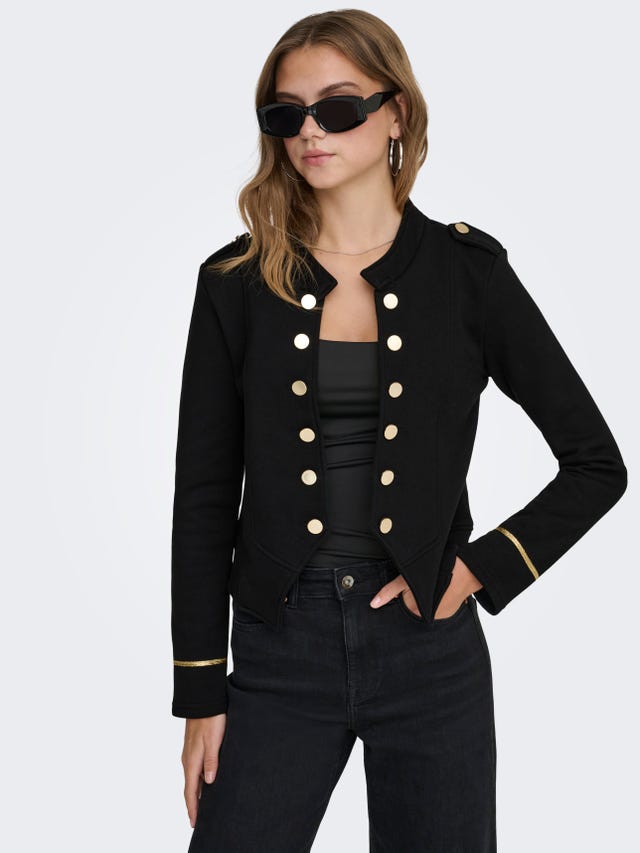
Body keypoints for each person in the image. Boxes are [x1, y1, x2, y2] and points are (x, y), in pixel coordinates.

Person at [170, 9, 627, 852]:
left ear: (396, 114)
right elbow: (202, 499)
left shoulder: (468, 273)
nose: (311, 131)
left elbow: (596, 464)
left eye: (339, 106)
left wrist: (480, 569)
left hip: (431, 653)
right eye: (287, 113)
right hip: (277, 649)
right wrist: (200, 691)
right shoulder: (235, 281)